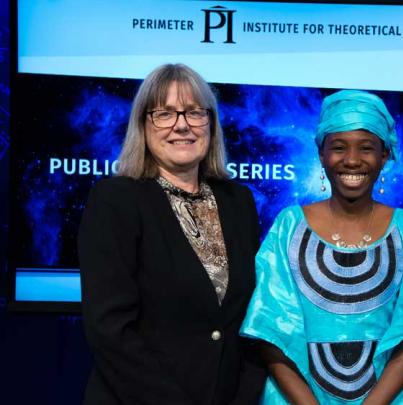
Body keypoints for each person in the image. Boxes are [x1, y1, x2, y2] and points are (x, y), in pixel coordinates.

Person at [240, 90, 403, 404]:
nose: (353, 160)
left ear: (384, 156)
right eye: (339, 147)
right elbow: (270, 332)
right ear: (321, 154)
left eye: (367, 148)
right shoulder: (289, 226)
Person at [78, 63, 265, 404]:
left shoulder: (239, 201)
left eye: (194, 112)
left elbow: (250, 319)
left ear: (211, 123)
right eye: (164, 113)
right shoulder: (116, 199)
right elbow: (110, 330)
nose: (182, 125)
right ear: (143, 125)